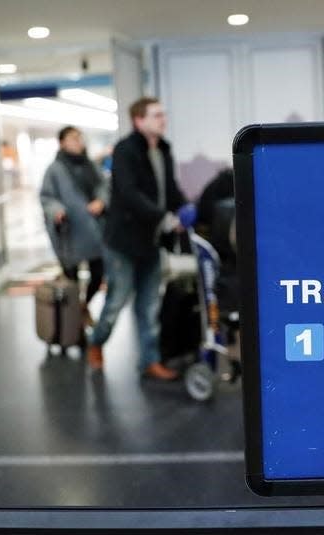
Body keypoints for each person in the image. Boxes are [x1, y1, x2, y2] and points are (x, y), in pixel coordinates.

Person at [87, 97, 187, 381]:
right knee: (117, 301)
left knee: (148, 305)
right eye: (156, 115)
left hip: (151, 242)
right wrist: (164, 219)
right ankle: (95, 343)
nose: (163, 119)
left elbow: (170, 189)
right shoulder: (125, 150)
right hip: (122, 242)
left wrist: (184, 208)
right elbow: (130, 195)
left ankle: (149, 360)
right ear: (139, 120)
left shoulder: (163, 150)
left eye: (163, 114)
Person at [40, 126, 108, 326]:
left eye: (80, 137)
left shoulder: (90, 165)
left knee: (98, 273)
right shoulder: (55, 169)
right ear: (62, 143)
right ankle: (75, 320)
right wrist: (57, 210)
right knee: (72, 278)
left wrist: (101, 201)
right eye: (73, 138)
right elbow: (47, 197)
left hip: (93, 230)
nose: (78, 141)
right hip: (69, 232)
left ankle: (84, 305)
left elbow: (103, 186)